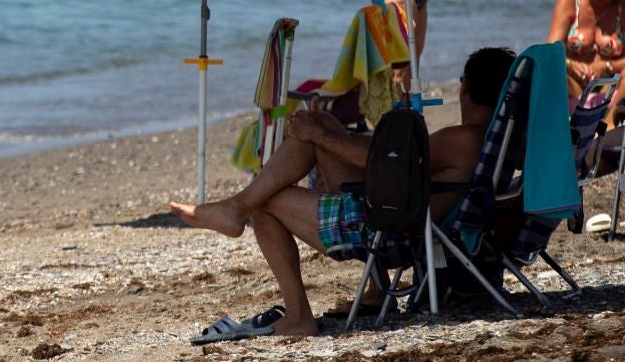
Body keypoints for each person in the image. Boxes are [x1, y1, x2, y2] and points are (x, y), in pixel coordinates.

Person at [171, 46, 515, 339]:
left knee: (266, 203)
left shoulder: (465, 139)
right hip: (403, 211)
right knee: (322, 124)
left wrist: (318, 138)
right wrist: (325, 134)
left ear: (465, 88)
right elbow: (397, 165)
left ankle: (297, 314)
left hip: (386, 225)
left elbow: (389, 166)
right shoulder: (493, 140)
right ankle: (377, 290)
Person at [549, 0, 625, 121]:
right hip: (574, 81)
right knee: (552, 66)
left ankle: (607, 131)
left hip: (607, 85)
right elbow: (551, 49)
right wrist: (570, 64)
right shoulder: (569, 1)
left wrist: (606, 65)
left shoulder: (622, 9)